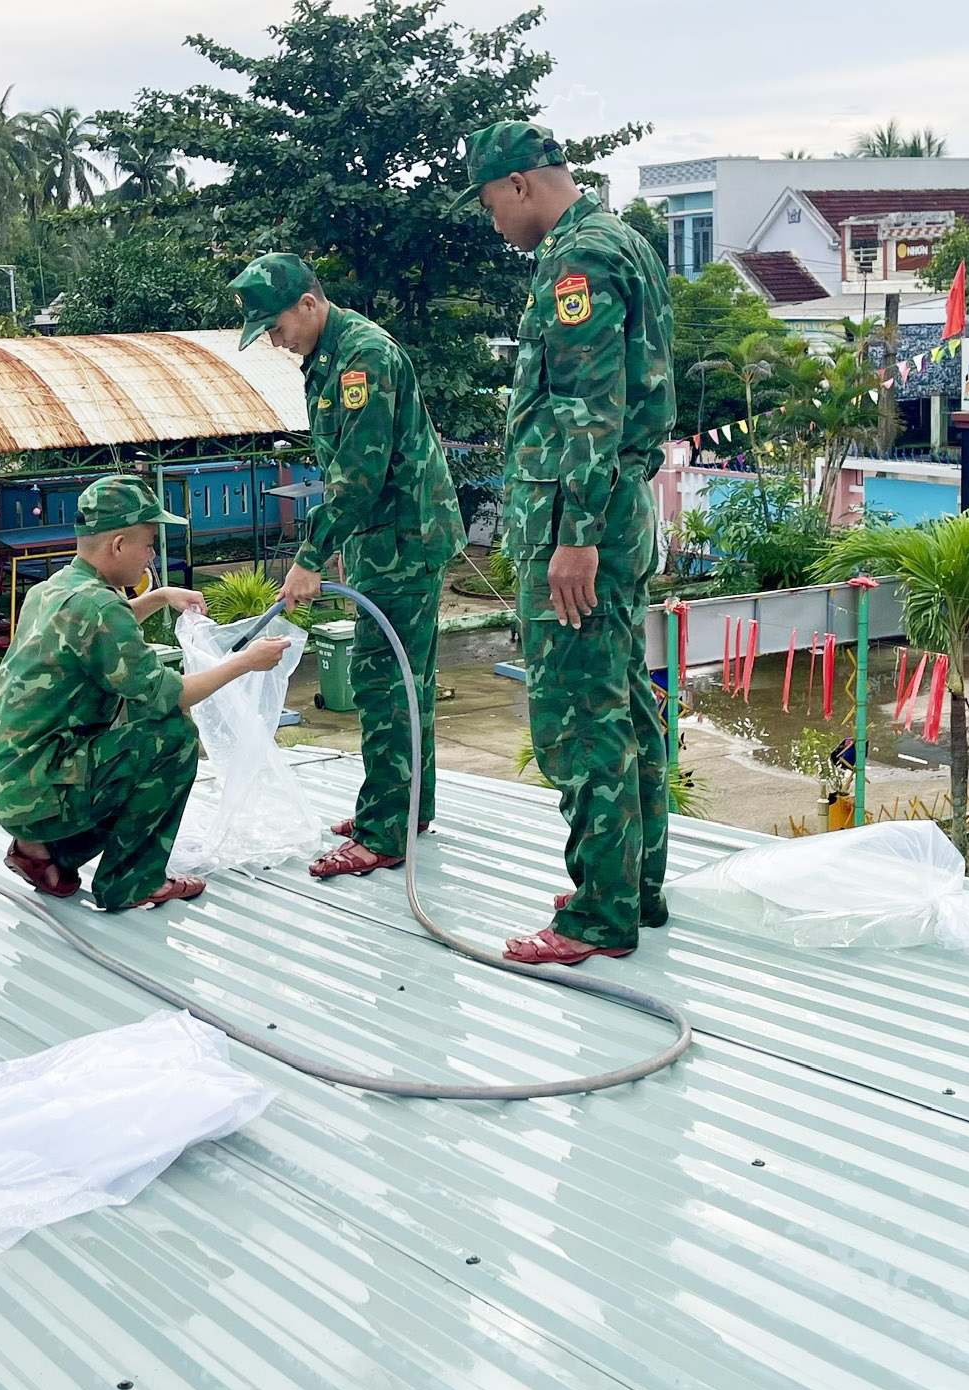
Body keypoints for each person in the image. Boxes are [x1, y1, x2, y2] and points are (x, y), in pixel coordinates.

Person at [456, 120, 675, 966]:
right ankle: (629, 885)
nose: (492, 223)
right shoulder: (623, 241)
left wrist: (574, 538)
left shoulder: (577, 259)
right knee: (622, 701)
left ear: (518, 185)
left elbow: (590, 407)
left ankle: (599, 916)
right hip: (618, 515)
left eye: (488, 204)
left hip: (581, 524)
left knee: (581, 717)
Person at [230, 252, 464, 879]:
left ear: (309, 303)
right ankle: (407, 808)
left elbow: (358, 474)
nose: (278, 342)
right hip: (384, 538)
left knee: (383, 683)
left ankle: (385, 831)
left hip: (403, 540)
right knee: (404, 679)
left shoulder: (363, 356)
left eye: (277, 327)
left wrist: (308, 558)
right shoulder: (328, 357)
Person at [0, 473, 291, 909]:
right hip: (39, 790)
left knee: (132, 740)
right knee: (172, 737)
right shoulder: (99, 606)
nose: (151, 555)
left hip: (8, 784)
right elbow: (173, 694)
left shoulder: (53, 591)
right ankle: (133, 883)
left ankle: (41, 853)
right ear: (118, 545)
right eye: (147, 544)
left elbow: (102, 627)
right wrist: (245, 662)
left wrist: (160, 596)